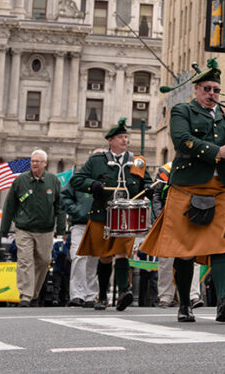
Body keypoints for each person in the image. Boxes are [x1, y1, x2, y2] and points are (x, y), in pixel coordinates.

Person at [140, 61, 225, 323]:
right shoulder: (182, 110)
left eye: (216, 90)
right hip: (187, 187)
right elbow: (182, 140)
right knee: (185, 249)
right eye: (208, 89)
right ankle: (185, 304)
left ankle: (224, 300)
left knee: (223, 246)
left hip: (220, 188)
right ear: (197, 90)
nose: (212, 94)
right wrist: (218, 151)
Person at [71, 118, 151, 311]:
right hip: (103, 214)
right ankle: (102, 296)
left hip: (126, 215)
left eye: (126, 137)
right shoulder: (97, 161)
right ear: (110, 140)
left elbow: (146, 182)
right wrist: (93, 185)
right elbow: (77, 180)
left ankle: (124, 291)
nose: (125, 141)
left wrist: (148, 188)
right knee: (105, 256)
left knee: (123, 253)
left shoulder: (137, 161)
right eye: (120, 137)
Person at [0, 149, 65, 307]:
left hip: (46, 230)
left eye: (38, 161)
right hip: (24, 229)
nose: (34, 164)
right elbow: (9, 206)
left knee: (44, 261)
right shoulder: (20, 180)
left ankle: (34, 293)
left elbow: (60, 206)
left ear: (45, 164)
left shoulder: (53, 181)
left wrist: (61, 229)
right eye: (32, 161)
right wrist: (4, 229)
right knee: (25, 260)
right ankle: (25, 296)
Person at [61, 164, 100, 308]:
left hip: (98, 223)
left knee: (93, 259)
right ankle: (77, 294)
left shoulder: (106, 180)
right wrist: (75, 211)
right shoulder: (77, 180)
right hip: (80, 224)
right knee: (78, 256)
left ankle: (90, 295)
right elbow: (64, 197)